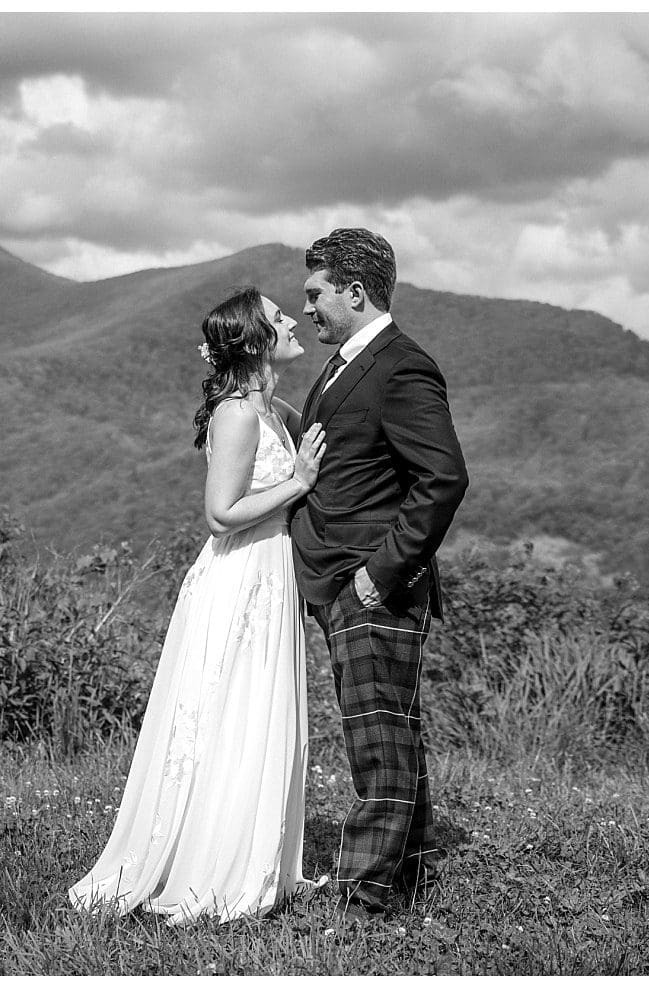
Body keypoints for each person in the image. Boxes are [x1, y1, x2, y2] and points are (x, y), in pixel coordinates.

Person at [70, 287, 328, 924]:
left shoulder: (278, 411)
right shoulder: (237, 415)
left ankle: (260, 861)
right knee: (227, 717)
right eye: (277, 317)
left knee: (259, 718)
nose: (292, 320)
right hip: (239, 577)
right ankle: (207, 868)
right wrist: (297, 482)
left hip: (274, 577)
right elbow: (220, 515)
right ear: (255, 340)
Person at [289, 228, 469, 917]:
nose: (307, 309)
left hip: (372, 585)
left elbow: (443, 477)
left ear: (355, 292)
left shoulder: (400, 367)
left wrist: (379, 575)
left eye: (316, 294)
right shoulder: (346, 364)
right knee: (391, 728)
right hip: (340, 581)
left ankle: (363, 893)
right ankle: (408, 873)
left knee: (377, 739)